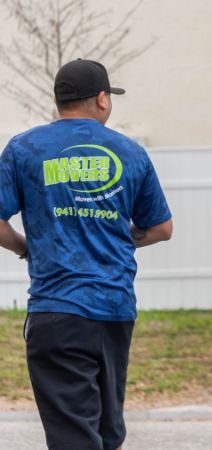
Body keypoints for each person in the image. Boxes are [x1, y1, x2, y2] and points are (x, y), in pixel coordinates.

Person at [0, 59, 173, 450]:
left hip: (56, 311)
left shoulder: (24, 149)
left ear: (58, 100)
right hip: (113, 311)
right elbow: (162, 229)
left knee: (74, 436)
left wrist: (27, 247)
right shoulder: (130, 153)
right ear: (101, 99)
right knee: (106, 432)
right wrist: (117, 236)